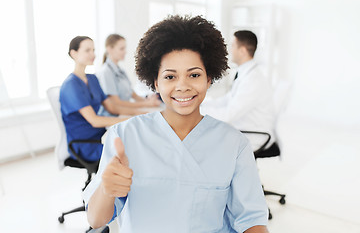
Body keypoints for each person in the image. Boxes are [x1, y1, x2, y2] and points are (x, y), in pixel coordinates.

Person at [83, 16, 269, 233]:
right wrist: (107, 189)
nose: (182, 86)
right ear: (155, 82)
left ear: (209, 78)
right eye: (170, 77)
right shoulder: (125, 135)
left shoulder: (234, 144)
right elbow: (96, 220)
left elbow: (252, 221)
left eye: (194, 75)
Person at [60, 36, 132, 162]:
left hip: (100, 136)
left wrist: (140, 114)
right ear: (74, 53)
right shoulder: (70, 85)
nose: (93, 54)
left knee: (134, 144)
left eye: (93, 50)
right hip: (84, 145)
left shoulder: (92, 79)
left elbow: (111, 107)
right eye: (87, 50)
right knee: (131, 153)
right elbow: (94, 120)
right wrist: (128, 120)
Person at [201, 30, 276, 152]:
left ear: (242, 51)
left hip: (254, 135)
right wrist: (202, 104)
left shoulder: (253, 80)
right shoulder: (245, 74)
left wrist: (199, 111)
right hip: (243, 128)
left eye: (232, 46)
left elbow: (228, 115)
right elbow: (227, 99)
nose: (230, 50)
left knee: (204, 142)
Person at [97, 34, 161, 116]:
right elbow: (116, 103)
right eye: (121, 49)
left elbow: (132, 94)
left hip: (125, 113)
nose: (125, 51)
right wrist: (146, 104)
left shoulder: (121, 70)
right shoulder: (105, 72)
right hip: (114, 117)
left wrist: (148, 101)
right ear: (109, 49)